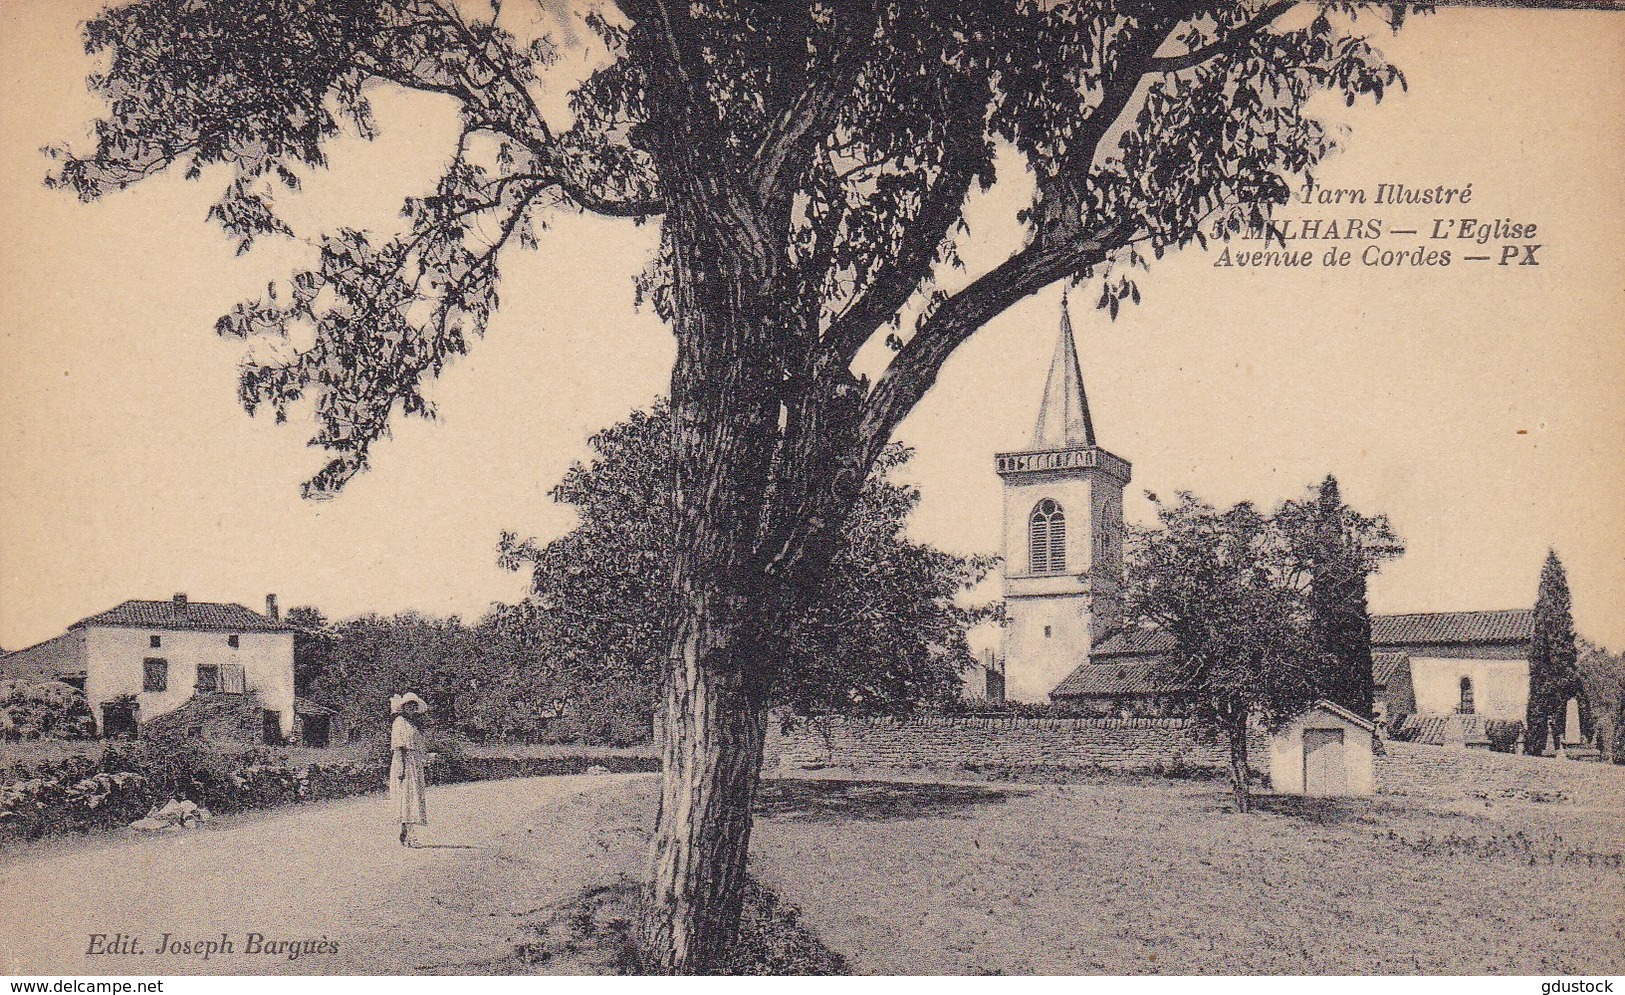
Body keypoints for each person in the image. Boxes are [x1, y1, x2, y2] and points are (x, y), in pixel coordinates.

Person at [389, 692, 430, 846]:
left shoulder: (411, 724)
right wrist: (401, 767)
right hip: (405, 761)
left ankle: (406, 832)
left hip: (414, 762)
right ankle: (410, 836)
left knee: (413, 796)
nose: (411, 708)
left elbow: (417, 745)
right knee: (406, 796)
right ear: (403, 707)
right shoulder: (399, 722)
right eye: (408, 705)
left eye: (414, 705)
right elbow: (398, 747)